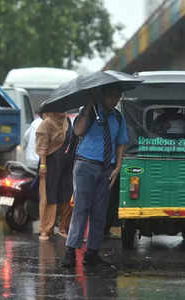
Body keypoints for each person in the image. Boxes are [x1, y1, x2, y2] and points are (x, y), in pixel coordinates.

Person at [62, 84, 129, 267]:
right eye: (111, 96)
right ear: (103, 95)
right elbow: (78, 131)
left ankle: (92, 253)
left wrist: (119, 166)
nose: (114, 100)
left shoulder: (118, 117)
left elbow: (121, 142)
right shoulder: (90, 110)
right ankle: (70, 251)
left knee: (100, 212)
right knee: (81, 209)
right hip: (86, 165)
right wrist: (89, 106)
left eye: (117, 97)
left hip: (107, 168)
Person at [35, 112, 74, 240]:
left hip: (67, 164)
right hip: (50, 164)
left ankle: (63, 227)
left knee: (67, 193)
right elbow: (42, 146)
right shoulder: (47, 123)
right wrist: (43, 165)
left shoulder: (67, 120)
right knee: (49, 194)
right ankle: (46, 229)